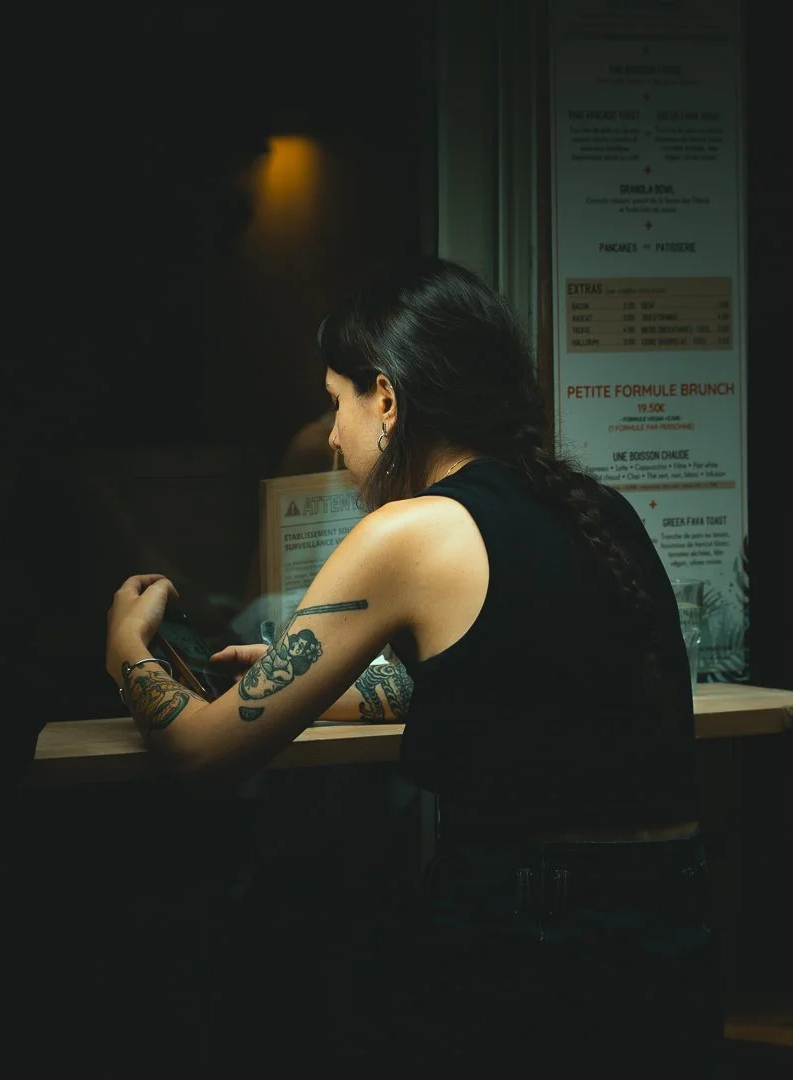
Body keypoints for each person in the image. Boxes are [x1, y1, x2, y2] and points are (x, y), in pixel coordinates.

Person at [105, 257, 723, 1077]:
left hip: (532, 938)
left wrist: (127, 648)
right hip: (672, 922)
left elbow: (201, 755)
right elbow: (509, 684)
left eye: (336, 403)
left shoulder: (411, 530)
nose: (329, 436)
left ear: (388, 399)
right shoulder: (593, 508)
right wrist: (307, 681)